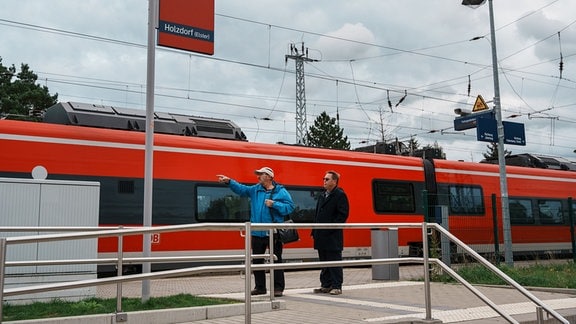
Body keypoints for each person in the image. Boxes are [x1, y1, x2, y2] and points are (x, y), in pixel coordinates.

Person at [217, 167, 294, 297]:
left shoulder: (281, 191)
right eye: (257, 174)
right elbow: (242, 189)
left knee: (276, 259)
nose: (258, 177)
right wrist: (229, 181)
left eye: (261, 174)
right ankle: (260, 287)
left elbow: (290, 207)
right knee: (257, 260)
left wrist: (274, 204)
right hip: (257, 232)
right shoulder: (255, 190)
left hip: (273, 232)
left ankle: (278, 288)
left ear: (269, 176)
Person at [311, 170, 349, 295]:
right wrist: (315, 230)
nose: (324, 181)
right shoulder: (323, 195)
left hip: (332, 235)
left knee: (334, 260)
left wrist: (330, 228)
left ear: (334, 181)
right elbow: (317, 214)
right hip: (320, 234)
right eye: (324, 179)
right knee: (324, 261)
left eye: (327, 179)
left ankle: (337, 285)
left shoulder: (340, 195)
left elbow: (342, 215)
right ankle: (326, 284)